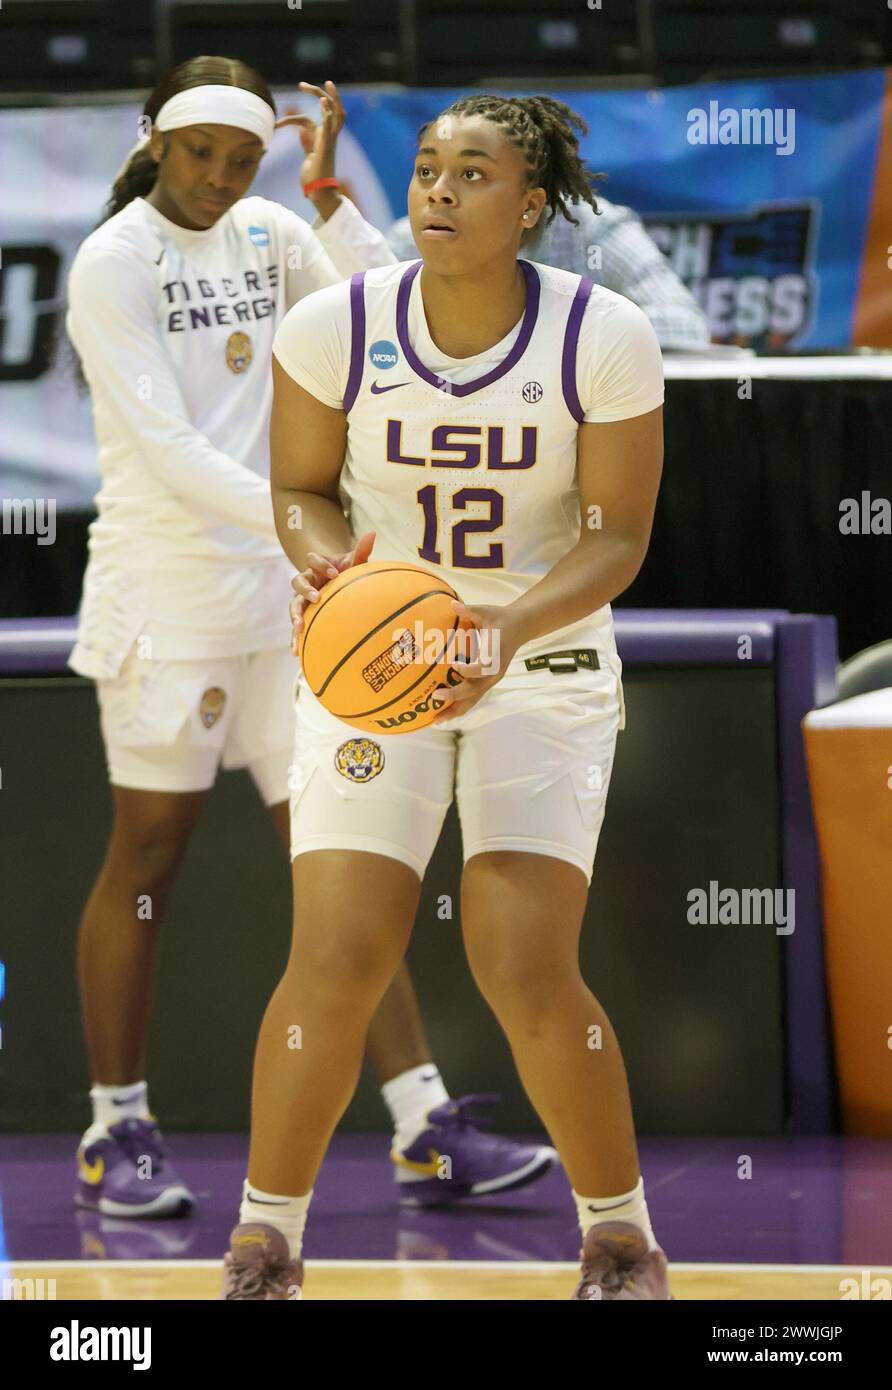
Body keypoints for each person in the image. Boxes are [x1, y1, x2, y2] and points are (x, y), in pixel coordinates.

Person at [65, 57, 554, 1222]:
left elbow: (388, 292)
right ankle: (115, 1124)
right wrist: (322, 539)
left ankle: (421, 1125)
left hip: (300, 609)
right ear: (155, 140)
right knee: (144, 863)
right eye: (200, 156)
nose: (221, 181)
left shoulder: (273, 229)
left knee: (346, 868)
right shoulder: (111, 262)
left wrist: (327, 187)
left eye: (244, 160)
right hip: (168, 598)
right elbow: (172, 452)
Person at [223, 92, 670, 1300]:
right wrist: (329, 567)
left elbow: (617, 535)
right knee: (337, 951)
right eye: (425, 167)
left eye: (472, 173)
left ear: (530, 205)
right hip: (376, 659)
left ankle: (619, 1237)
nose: (436, 189)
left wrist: (506, 623)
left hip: (545, 657)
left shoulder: (605, 333)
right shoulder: (333, 324)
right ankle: (266, 1242)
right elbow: (301, 490)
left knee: (522, 960)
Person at [388, 179, 709, 351]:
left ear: (534, 201)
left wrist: (556, 345)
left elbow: (682, 322)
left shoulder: (593, 227)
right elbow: (362, 330)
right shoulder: (415, 239)